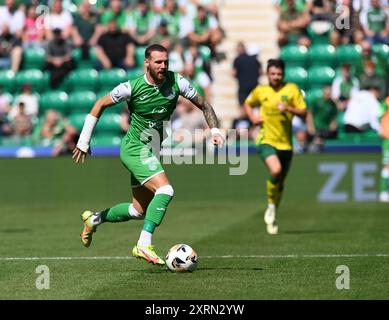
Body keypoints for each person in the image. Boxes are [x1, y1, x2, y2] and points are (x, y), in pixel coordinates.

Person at [72, 44, 224, 265]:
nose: (163, 66)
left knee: (138, 210)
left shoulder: (177, 82)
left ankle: (93, 219)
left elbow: (205, 105)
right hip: (134, 149)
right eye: (158, 62)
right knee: (166, 189)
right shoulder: (131, 87)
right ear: (147, 63)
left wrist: (216, 131)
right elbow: (100, 104)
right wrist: (84, 141)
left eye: (166, 62)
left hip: (151, 150)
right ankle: (143, 244)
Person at [244, 58, 307, 235]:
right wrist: (253, 118)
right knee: (276, 170)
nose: (276, 77)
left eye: (279, 74)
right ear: (267, 74)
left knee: (280, 182)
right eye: (273, 73)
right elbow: (248, 103)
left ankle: (272, 208)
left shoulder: (292, 90)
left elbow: (304, 111)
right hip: (266, 139)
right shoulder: (261, 91)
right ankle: (271, 207)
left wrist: (289, 108)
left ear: (283, 74)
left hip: (286, 143)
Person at [232, 42, 262, 108]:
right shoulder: (254, 59)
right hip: (254, 87)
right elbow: (260, 72)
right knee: (255, 107)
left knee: (243, 107)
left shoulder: (237, 59)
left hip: (243, 88)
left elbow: (234, 73)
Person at [378, 96, 389, 202]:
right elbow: (378, 114)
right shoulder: (386, 101)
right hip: (388, 139)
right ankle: (383, 191)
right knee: (387, 165)